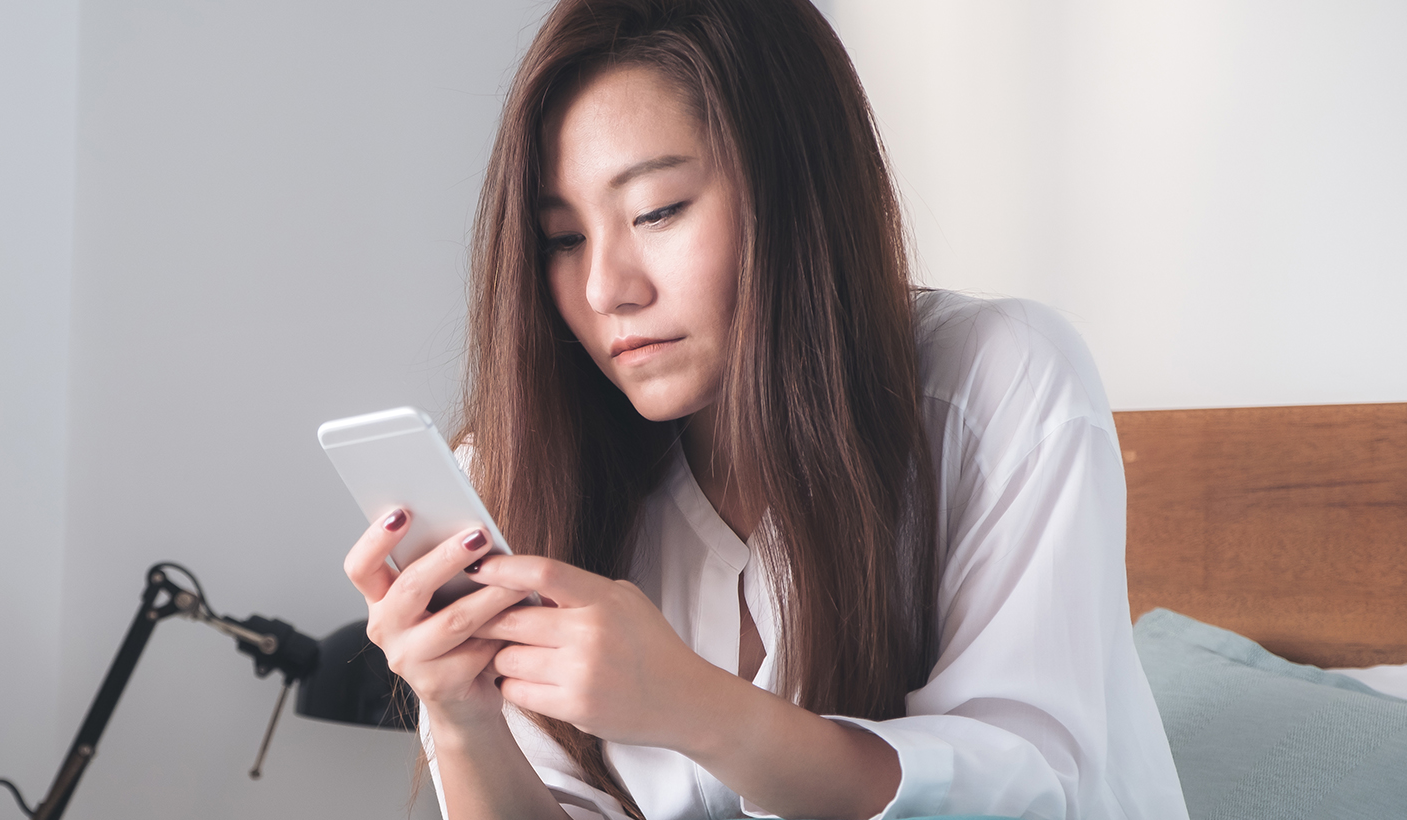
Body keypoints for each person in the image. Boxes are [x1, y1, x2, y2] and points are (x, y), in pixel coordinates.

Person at [339, 1, 1191, 819]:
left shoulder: (998, 380)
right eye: (564, 239)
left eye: (657, 211)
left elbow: (1025, 788)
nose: (605, 290)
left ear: (796, 190)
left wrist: (697, 710)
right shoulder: (530, 469)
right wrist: (459, 716)